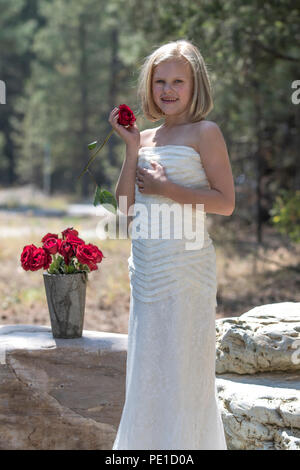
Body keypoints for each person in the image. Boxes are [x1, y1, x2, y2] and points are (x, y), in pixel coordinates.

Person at [109, 39, 234, 450]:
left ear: (195, 84)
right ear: (149, 86)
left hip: (186, 269)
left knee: (184, 369)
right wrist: (130, 149)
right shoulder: (142, 139)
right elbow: (124, 209)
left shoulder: (205, 133)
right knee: (148, 370)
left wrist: (167, 187)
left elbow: (225, 203)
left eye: (178, 81)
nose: (168, 90)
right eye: (160, 81)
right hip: (146, 270)